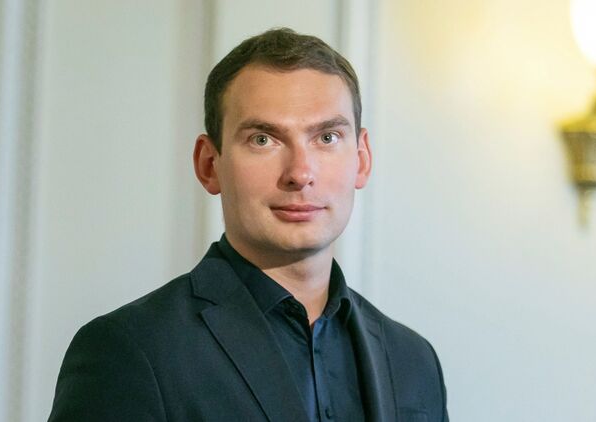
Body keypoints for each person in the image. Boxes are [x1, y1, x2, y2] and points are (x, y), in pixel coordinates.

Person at [48, 27, 448, 422]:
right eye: (263, 140)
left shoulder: (413, 360)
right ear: (209, 165)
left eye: (327, 137)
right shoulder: (130, 350)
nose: (300, 173)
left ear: (361, 159)